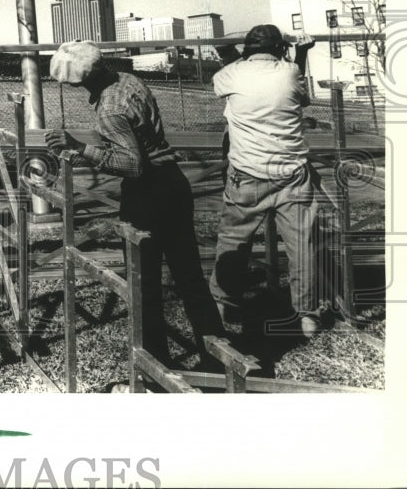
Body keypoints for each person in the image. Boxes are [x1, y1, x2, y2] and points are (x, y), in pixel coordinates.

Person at [44, 40, 225, 369]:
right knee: (190, 279)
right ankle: (215, 359)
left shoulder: (110, 108)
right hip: (173, 183)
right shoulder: (128, 80)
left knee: (143, 284)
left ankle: (155, 364)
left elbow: (132, 165)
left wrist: (80, 148)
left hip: (147, 193)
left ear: (82, 79)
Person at [209, 24, 320, 337]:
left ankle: (223, 304)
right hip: (292, 174)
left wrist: (230, 55)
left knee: (233, 242)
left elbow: (221, 81)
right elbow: (302, 98)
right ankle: (307, 315)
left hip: (248, 174)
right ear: (280, 49)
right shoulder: (290, 72)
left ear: (248, 49)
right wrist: (302, 53)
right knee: (301, 245)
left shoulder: (232, 73)